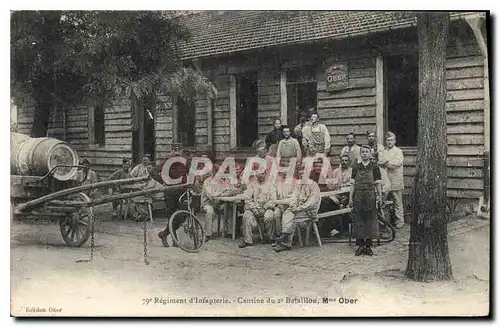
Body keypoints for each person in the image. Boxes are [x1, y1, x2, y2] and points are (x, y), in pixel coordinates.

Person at [274, 163, 321, 253]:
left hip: (309, 211)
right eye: (300, 174)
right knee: (288, 211)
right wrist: (294, 205)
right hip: (299, 209)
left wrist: (299, 208)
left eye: (303, 174)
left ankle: (286, 241)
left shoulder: (313, 185)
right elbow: (294, 197)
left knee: (291, 216)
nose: (301, 175)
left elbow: (311, 202)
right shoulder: (299, 184)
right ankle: (285, 237)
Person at [348, 145, 383, 256]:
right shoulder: (356, 167)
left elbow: (377, 183)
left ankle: (368, 246)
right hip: (358, 195)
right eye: (362, 152)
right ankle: (360, 245)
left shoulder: (375, 167)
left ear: (370, 154)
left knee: (370, 219)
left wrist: (380, 197)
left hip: (370, 195)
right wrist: (350, 198)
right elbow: (352, 184)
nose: (364, 154)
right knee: (358, 219)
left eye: (367, 152)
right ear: (360, 154)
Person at [238, 171, 278, 248]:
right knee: (246, 215)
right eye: (259, 173)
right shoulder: (251, 185)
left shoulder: (270, 185)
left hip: (266, 208)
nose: (261, 175)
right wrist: (254, 208)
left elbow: (273, 200)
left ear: (265, 174)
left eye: (262, 173)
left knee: (270, 216)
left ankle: (271, 238)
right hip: (253, 208)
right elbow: (248, 199)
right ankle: (248, 240)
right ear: (256, 174)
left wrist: (265, 207)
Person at [378, 131, 405, 229]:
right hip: (385, 180)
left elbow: (397, 163)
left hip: (395, 179)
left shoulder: (398, 151)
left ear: (395, 141)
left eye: (391, 140)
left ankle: (400, 221)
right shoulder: (384, 151)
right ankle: (387, 220)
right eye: (388, 140)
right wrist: (385, 163)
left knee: (397, 201)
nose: (389, 142)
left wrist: (386, 163)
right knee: (385, 201)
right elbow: (380, 161)